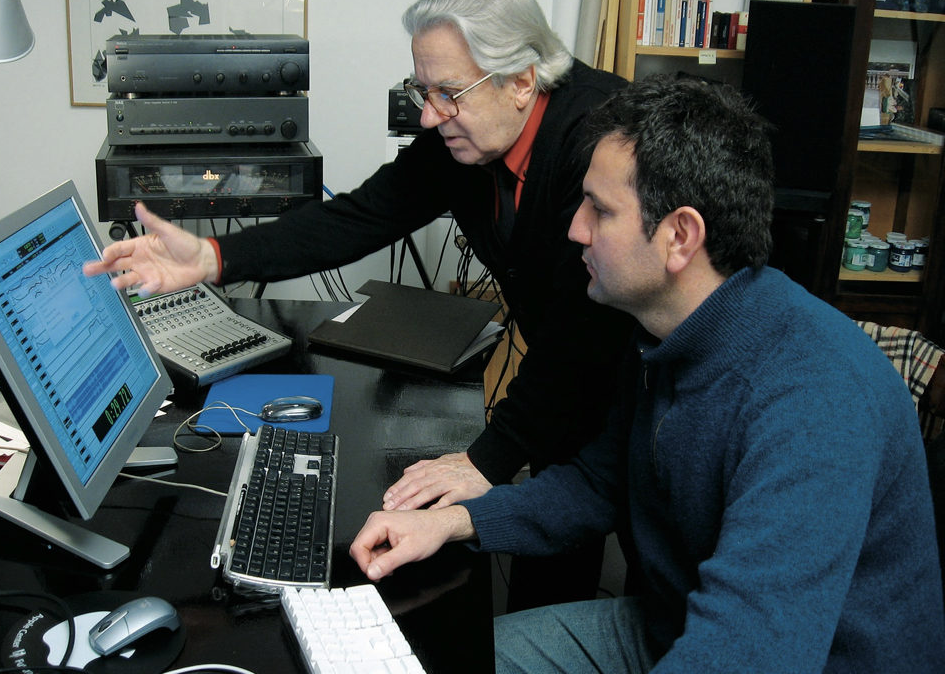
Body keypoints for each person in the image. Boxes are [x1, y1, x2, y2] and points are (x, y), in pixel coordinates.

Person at [349, 74, 945, 673]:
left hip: (766, 656)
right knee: (438, 660)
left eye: (599, 210)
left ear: (679, 236)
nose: (574, 228)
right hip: (671, 625)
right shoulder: (663, 331)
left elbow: (746, 654)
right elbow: (600, 484)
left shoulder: (813, 402)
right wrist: (454, 522)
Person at [84, 0, 635, 609]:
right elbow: (359, 216)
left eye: (449, 94)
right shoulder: (467, 137)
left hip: (626, 378)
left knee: (616, 566)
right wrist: (215, 255)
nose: (429, 116)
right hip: (568, 381)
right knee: (546, 551)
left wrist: (489, 457)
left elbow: (585, 338)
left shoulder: (600, 139)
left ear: (521, 80)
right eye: (422, 91)